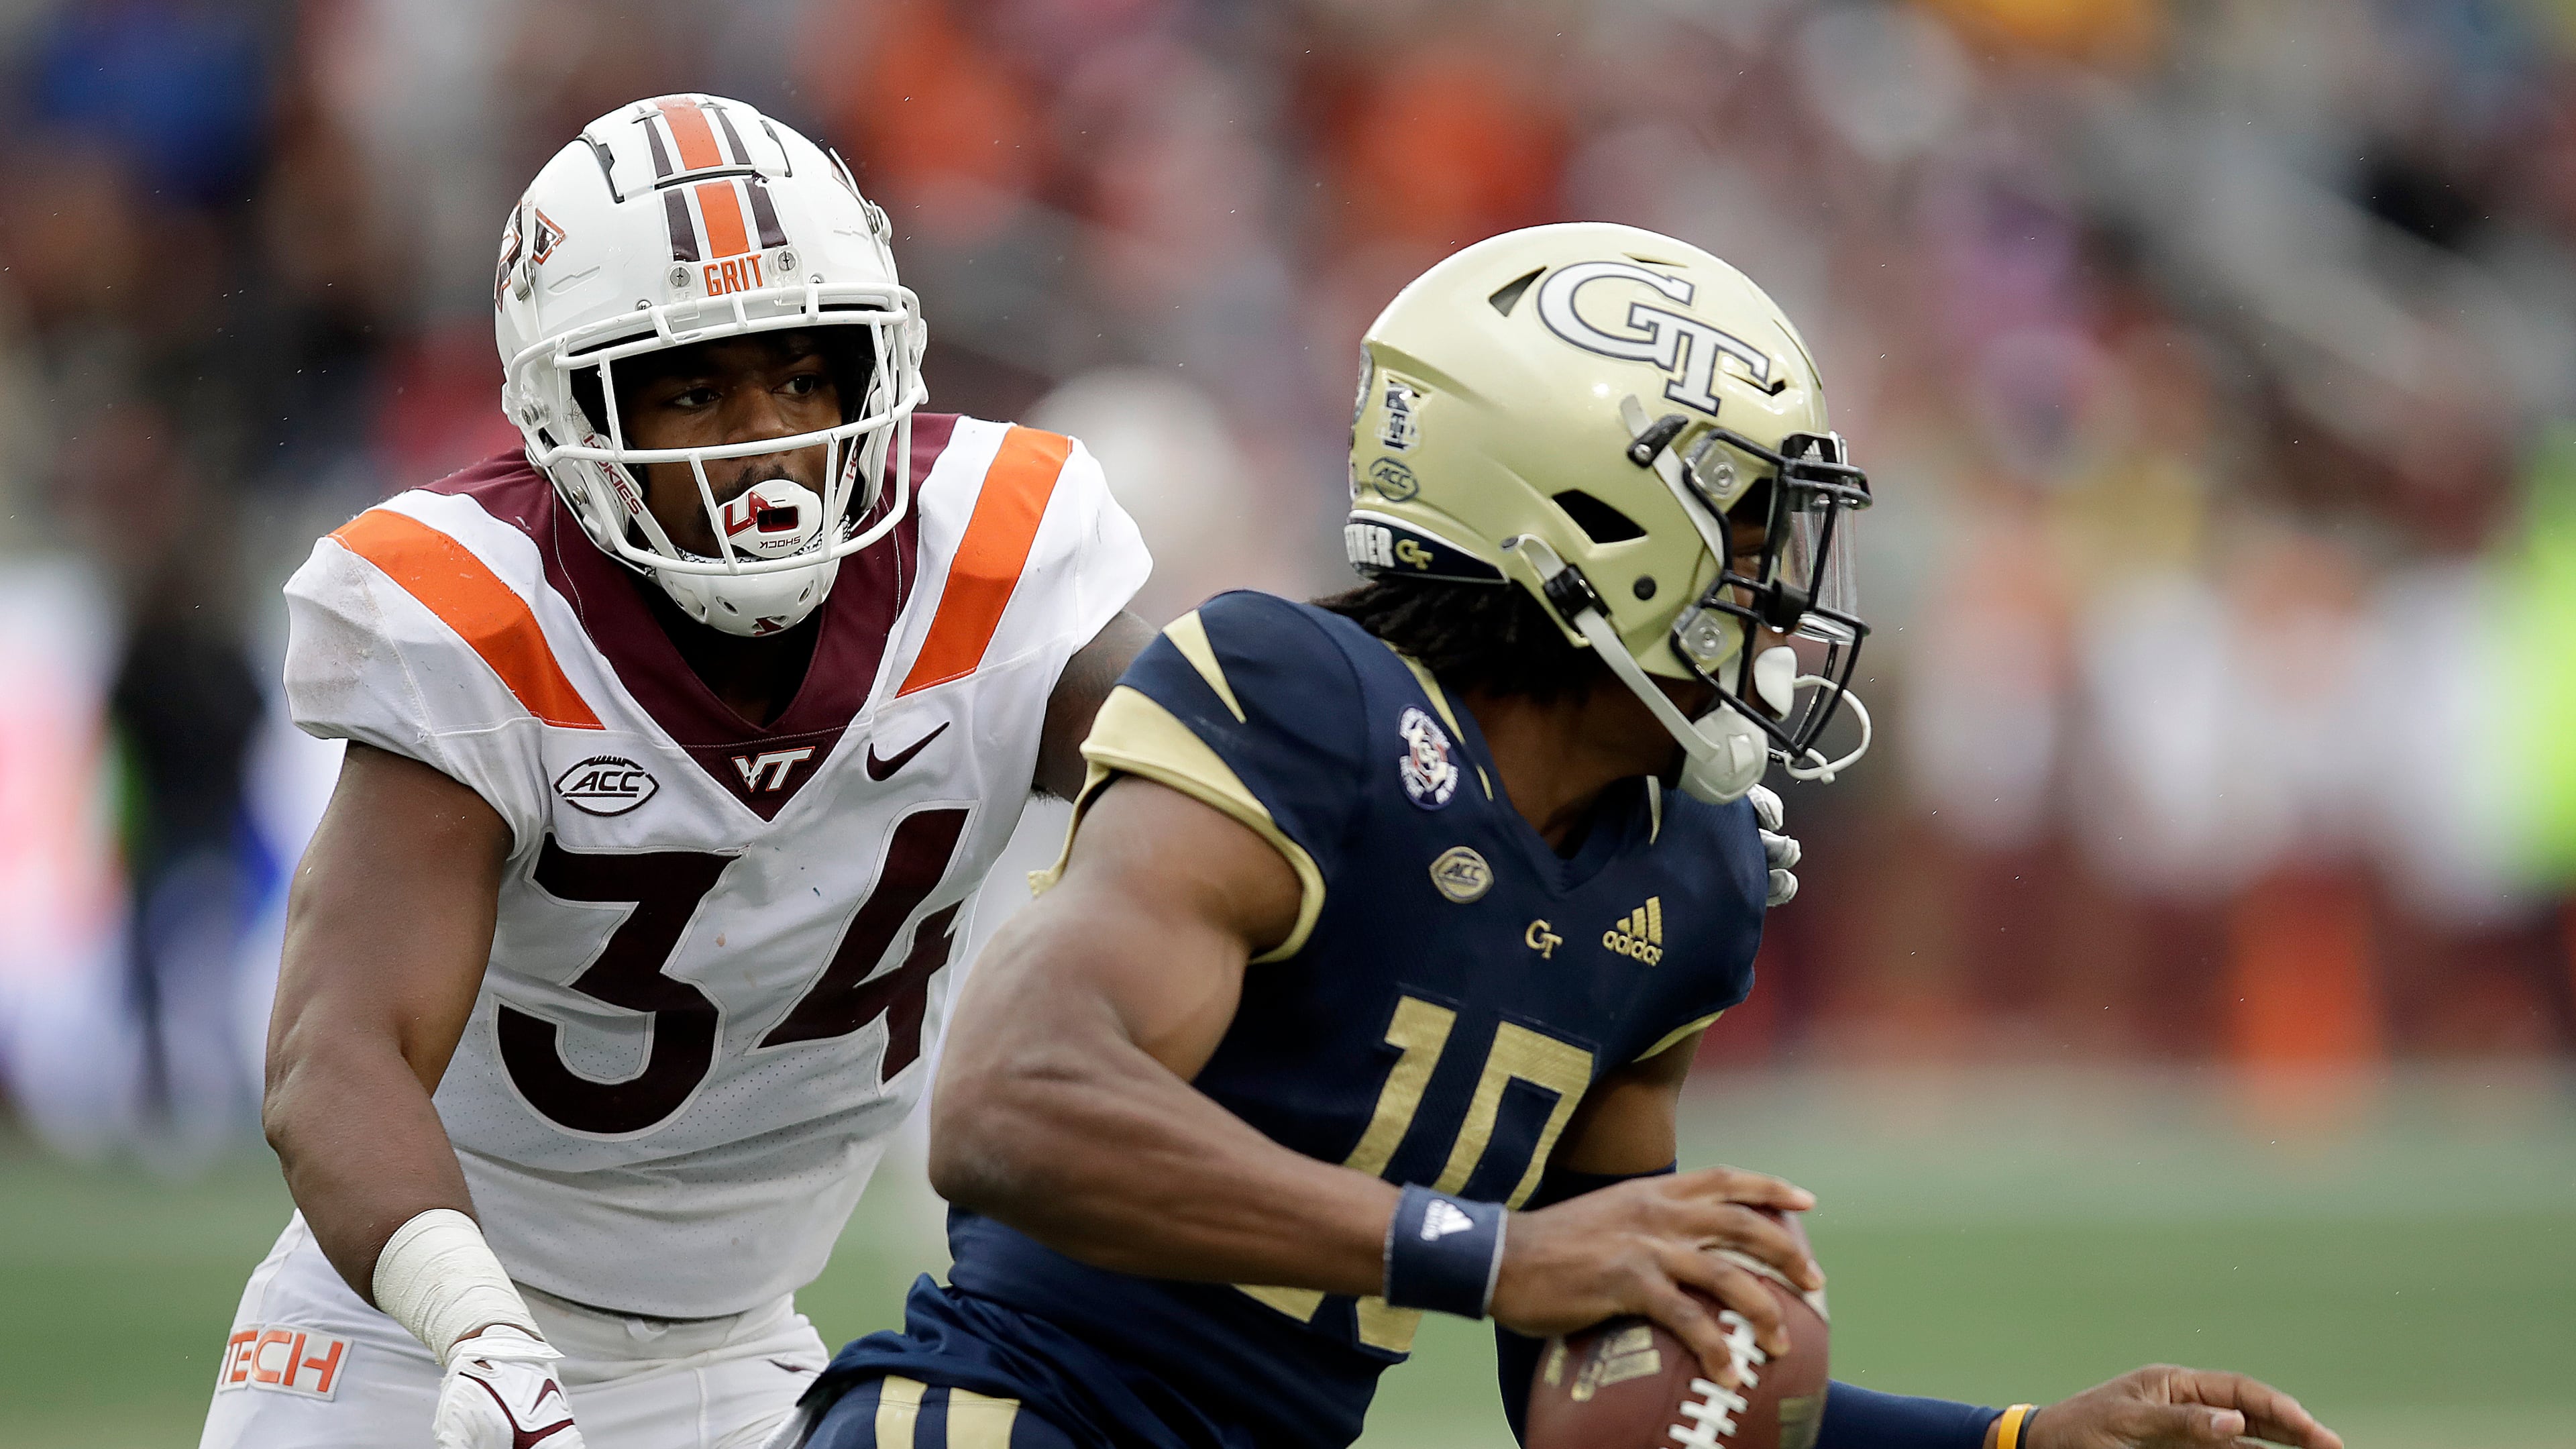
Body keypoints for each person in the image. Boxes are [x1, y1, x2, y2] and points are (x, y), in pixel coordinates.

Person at [775, 223, 2342, 1449]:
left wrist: (2015, 1438)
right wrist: (1492, 1258)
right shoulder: (1299, 704)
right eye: (1748, 523)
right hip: (996, 1423)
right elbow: (1006, 1114)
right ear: (1584, 521)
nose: (1785, 586)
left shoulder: (1690, 861)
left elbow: (1605, 1385)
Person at [199, 95, 1154, 1449]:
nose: (769, 437)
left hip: (750, 1357)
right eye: (695, 389)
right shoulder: (480, 614)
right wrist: (472, 1326)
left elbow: (1222, 788)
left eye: (804, 376)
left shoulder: (992, 563)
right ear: (570, 412)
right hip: (413, 1351)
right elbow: (333, 1053)